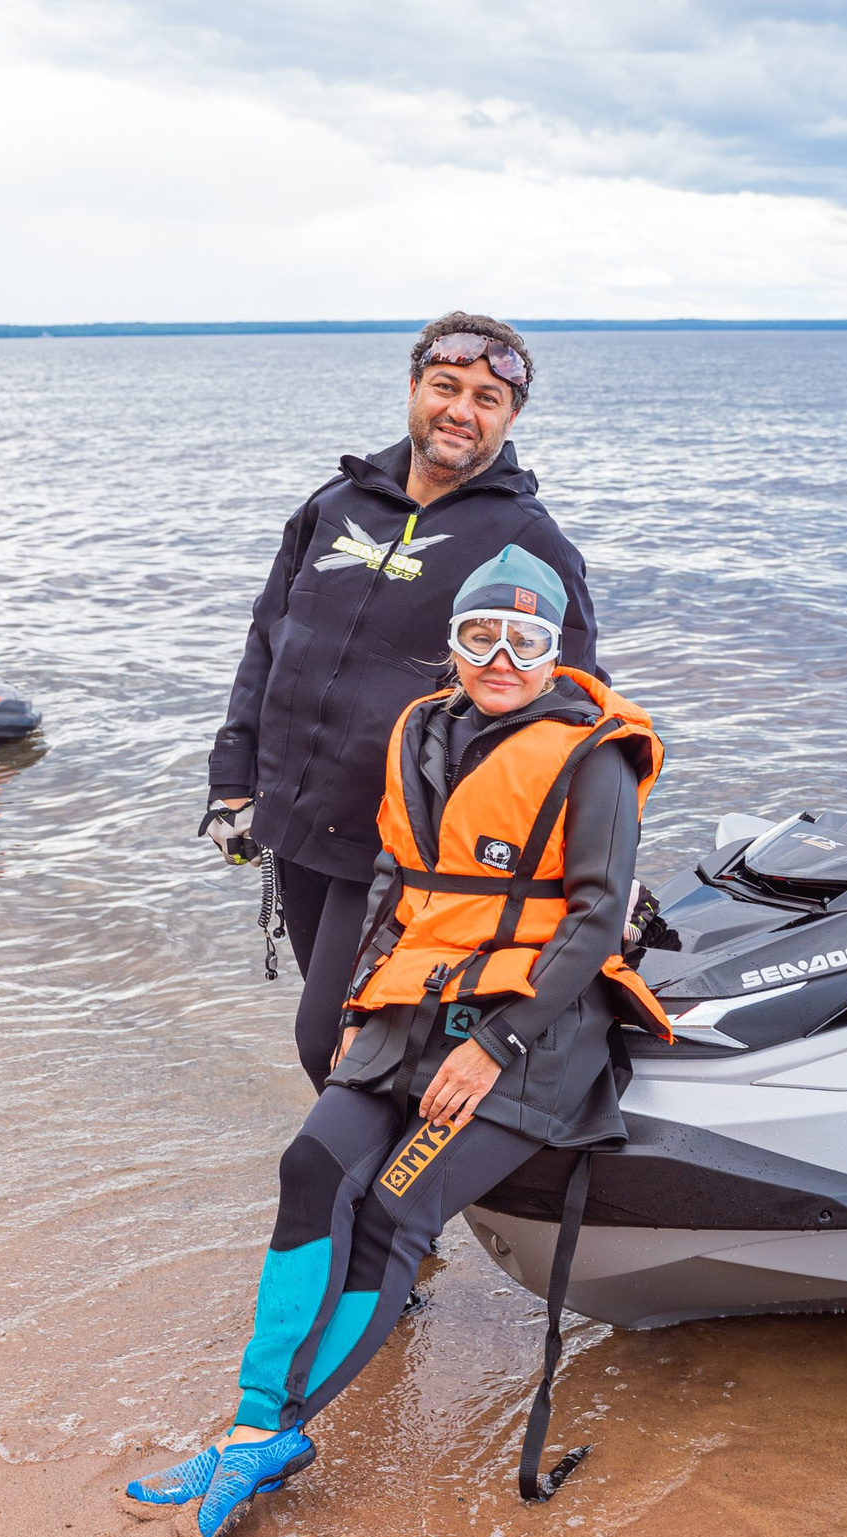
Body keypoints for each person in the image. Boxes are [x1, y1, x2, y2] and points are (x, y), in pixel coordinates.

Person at [128, 547, 668, 1537]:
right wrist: (347, 1015)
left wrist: (495, 1047)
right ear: (452, 644)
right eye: (479, 635)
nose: (501, 657)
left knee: (389, 1214)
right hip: (409, 1010)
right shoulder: (421, 732)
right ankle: (262, 1422)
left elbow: (593, 926)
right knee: (310, 1165)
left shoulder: (595, 756)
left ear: (554, 651)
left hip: (529, 1036)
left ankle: (260, 1437)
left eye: (525, 639)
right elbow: (391, 880)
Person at [207, 312, 602, 1090]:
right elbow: (268, 636)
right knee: (355, 1050)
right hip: (296, 823)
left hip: (403, 845)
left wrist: (575, 862)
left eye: (488, 398)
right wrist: (232, 775)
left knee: (334, 1039)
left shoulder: (526, 538)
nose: (462, 410)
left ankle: (374, 1200)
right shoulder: (335, 505)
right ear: (414, 388)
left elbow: (575, 703)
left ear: (511, 416)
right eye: (447, 387)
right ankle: (371, 1198)